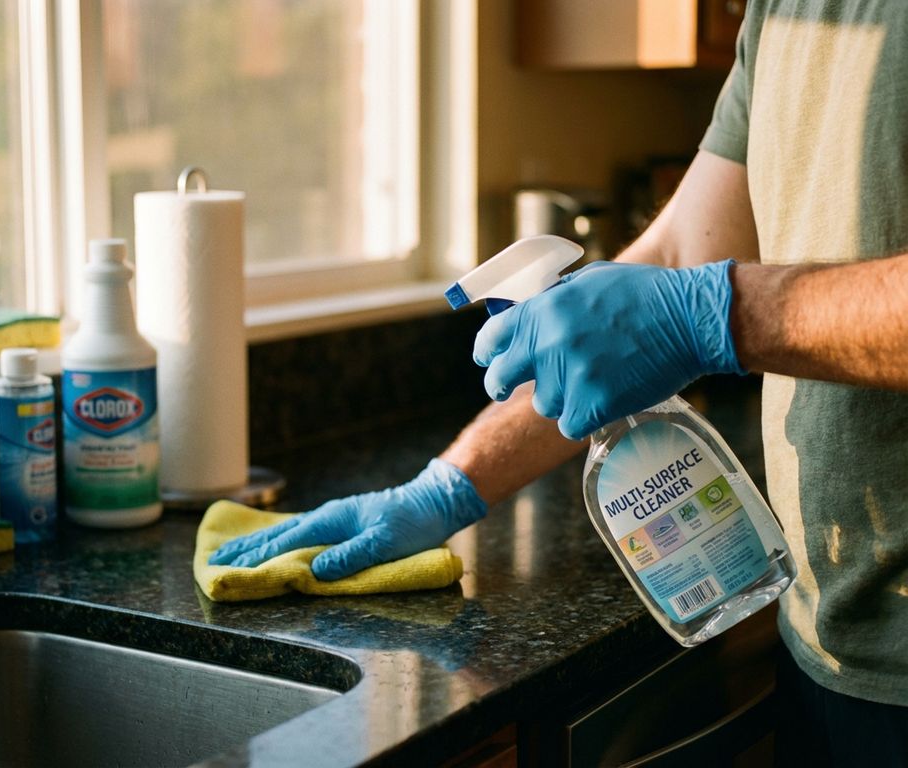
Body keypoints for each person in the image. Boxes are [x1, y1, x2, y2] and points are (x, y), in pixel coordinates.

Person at [211, 2, 908, 763]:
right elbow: (680, 254)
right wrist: (447, 488)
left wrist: (716, 312)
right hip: (824, 635)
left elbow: (690, 294)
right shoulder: (782, 11)